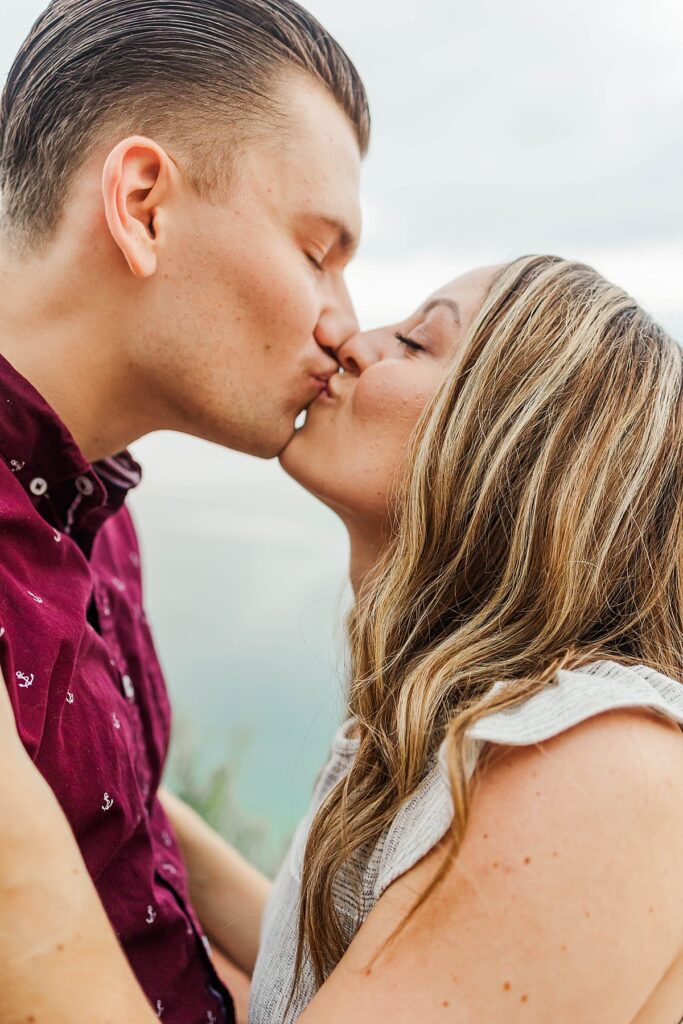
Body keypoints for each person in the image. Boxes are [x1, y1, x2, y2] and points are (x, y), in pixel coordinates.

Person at [3, 254, 683, 1023]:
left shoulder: (594, 760)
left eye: (418, 342)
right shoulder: (424, 731)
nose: (356, 341)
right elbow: (355, 972)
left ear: (521, 450)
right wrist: (93, 759)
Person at [0, 1, 368, 1021]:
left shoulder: (95, 506)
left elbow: (107, 807)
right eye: (316, 250)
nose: (343, 325)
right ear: (144, 203)